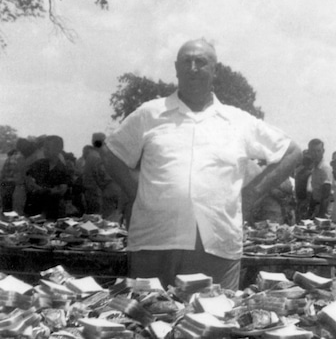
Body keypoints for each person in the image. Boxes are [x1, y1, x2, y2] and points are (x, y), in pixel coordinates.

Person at [96, 39, 302, 290]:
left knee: (212, 322)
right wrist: (139, 193)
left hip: (216, 244)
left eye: (201, 62)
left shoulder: (237, 120)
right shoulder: (149, 113)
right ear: (176, 68)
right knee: (145, 320)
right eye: (186, 61)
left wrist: (251, 195)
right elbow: (110, 152)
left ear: (215, 70)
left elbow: (291, 152)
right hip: (153, 241)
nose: (193, 68)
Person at [25, 135, 70, 220]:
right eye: (44, 147)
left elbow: (61, 190)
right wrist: (46, 189)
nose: (45, 150)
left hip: (52, 210)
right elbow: (28, 179)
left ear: (59, 149)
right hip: (34, 208)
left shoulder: (63, 169)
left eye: (48, 148)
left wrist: (38, 188)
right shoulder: (39, 164)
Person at [307, 139, 332, 219]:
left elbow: (326, 195)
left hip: (325, 209)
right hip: (317, 207)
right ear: (309, 152)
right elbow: (315, 192)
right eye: (313, 151)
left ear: (323, 151)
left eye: (318, 151)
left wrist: (321, 217)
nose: (316, 154)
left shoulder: (325, 168)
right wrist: (310, 211)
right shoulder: (315, 168)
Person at [294, 150, 313, 221]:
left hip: (299, 201)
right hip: (305, 202)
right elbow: (309, 190)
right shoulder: (309, 173)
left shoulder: (298, 172)